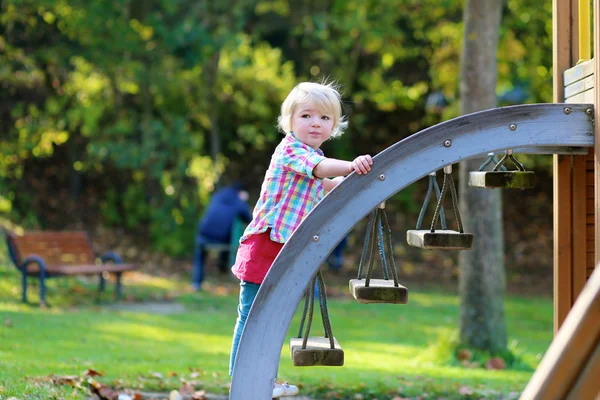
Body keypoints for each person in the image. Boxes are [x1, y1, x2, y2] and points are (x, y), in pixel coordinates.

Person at [228, 81, 373, 398]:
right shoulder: (292, 150)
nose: (315, 123)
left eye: (324, 118)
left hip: (284, 247)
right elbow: (320, 170)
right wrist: (352, 166)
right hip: (266, 244)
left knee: (270, 317)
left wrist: (354, 185)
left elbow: (323, 185)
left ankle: (262, 377)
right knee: (253, 314)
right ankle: (244, 378)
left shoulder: (312, 156)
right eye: (307, 115)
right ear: (289, 121)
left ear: (334, 126)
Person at [192, 183, 252, 291]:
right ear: (241, 192)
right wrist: (244, 200)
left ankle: (196, 283)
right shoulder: (239, 201)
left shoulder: (218, 195)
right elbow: (248, 219)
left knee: (200, 255)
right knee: (232, 239)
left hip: (203, 232)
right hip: (221, 237)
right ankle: (222, 269)